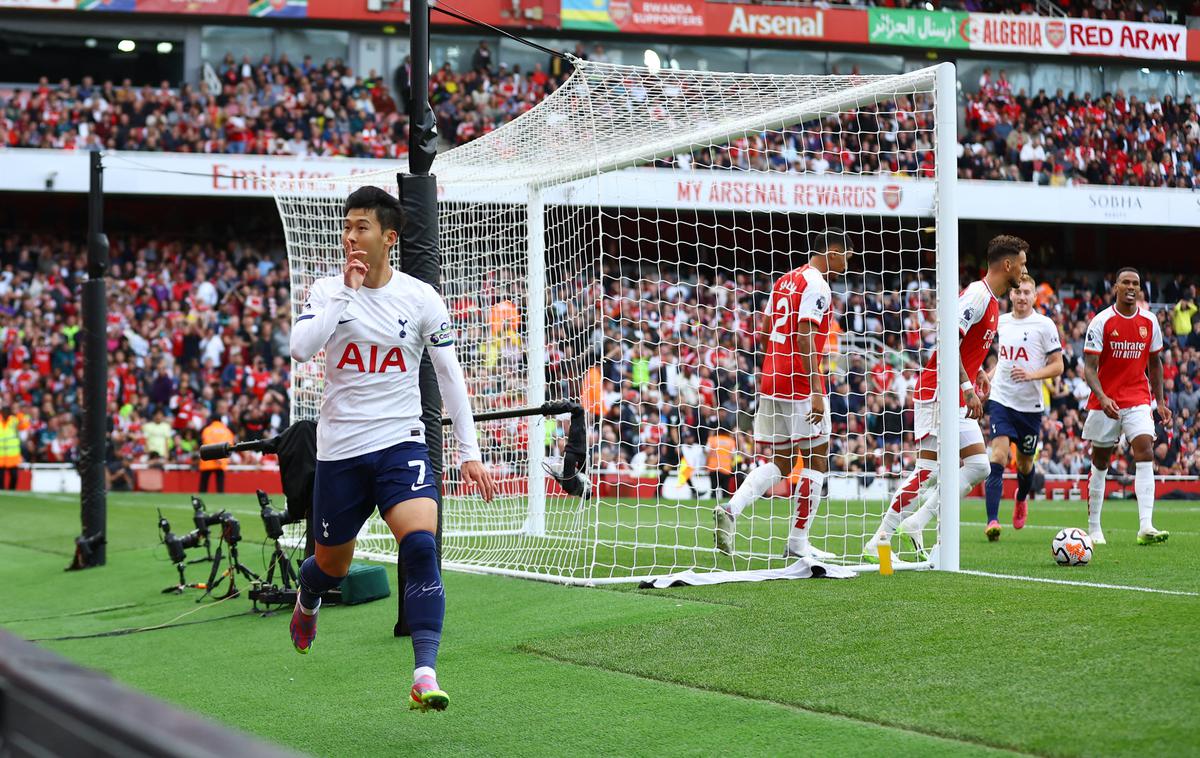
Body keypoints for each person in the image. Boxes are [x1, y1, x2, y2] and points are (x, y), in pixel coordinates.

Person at [288, 186, 496, 712]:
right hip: (339, 451)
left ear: (389, 237)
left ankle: (425, 671)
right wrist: (345, 295)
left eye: (362, 227)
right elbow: (300, 349)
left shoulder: (422, 298)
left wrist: (468, 451)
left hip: (400, 442)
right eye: (347, 226)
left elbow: (450, 378)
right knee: (330, 567)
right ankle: (307, 599)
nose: (350, 236)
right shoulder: (327, 290)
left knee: (421, 544)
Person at [864, 235, 1029, 561]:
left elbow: (964, 347)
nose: (1024, 272)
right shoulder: (978, 295)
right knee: (927, 471)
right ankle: (878, 541)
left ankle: (917, 522)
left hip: (953, 393)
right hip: (940, 391)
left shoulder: (993, 302)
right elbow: (947, 338)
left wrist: (976, 370)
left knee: (980, 466)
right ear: (1007, 265)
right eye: (1022, 265)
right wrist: (968, 387)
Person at [714, 229, 852, 560]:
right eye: (847, 256)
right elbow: (805, 335)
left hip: (771, 380)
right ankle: (798, 543)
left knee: (781, 461)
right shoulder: (817, 284)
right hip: (801, 384)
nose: (848, 263)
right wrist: (817, 389)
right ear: (832, 253)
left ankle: (731, 509)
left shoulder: (784, 280)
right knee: (817, 459)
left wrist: (776, 365)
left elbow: (763, 330)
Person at [1082, 268, 1171, 545]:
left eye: (1136, 283)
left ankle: (1146, 526)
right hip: (1105, 400)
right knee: (1100, 462)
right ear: (1116, 287)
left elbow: (1154, 363)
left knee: (1145, 449)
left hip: (1137, 398)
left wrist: (1160, 401)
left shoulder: (1149, 321)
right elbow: (1089, 368)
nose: (1131, 287)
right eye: (1126, 283)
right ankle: (1094, 527)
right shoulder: (1101, 321)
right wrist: (1103, 396)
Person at [982, 274, 1063, 541]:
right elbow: (1004, 360)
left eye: (1027, 292)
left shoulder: (1044, 325)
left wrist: (1032, 375)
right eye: (1017, 292)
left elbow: (1058, 365)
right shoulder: (1001, 322)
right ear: (1011, 295)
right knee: (998, 457)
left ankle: (1021, 497)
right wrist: (989, 377)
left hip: (1030, 407)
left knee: (1026, 465)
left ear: (1034, 297)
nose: (1021, 297)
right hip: (1002, 400)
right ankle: (992, 521)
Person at [199, 415, 234, 493]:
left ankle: (201, 499)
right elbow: (229, 445)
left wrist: (215, 456)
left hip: (208, 459)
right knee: (220, 485)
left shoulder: (207, 430)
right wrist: (220, 457)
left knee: (204, 483)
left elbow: (207, 443)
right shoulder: (227, 431)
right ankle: (221, 500)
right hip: (221, 460)